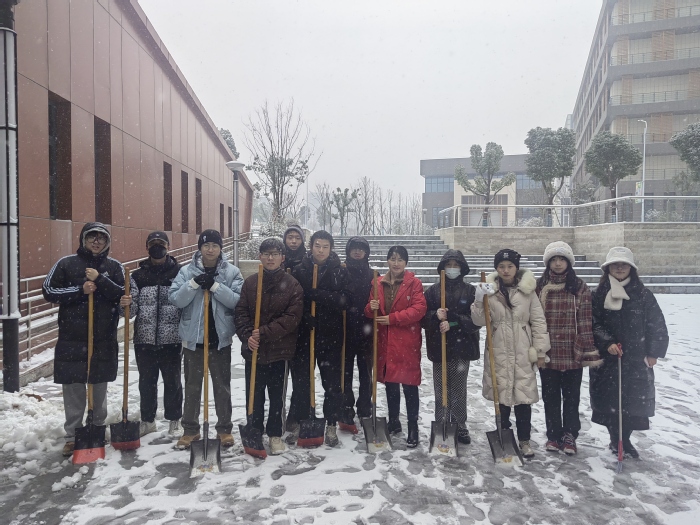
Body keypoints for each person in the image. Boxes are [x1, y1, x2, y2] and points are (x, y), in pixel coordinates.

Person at [42, 223, 125, 457]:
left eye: (101, 238)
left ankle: (97, 429)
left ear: (107, 242)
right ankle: (73, 434)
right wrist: (80, 290)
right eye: (92, 237)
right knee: (74, 388)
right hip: (72, 339)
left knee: (98, 387)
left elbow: (122, 295)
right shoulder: (66, 264)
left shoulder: (114, 267)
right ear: (83, 239)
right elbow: (48, 291)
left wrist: (101, 281)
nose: (96, 242)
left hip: (103, 338)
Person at [589, 246, 668, 459]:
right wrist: (606, 342)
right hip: (608, 359)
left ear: (631, 268)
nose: (620, 268)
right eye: (615, 265)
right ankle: (616, 439)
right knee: (610, 402)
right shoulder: (598, 295)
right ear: (608, 269)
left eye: (624, 265)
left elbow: (656, 324)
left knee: (633, 403)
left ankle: (626, 438)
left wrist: (653, 353)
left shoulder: (643, 295)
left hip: (636, 359)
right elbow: (592, 322)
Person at [471, 248, 550, 459]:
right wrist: (479, 300)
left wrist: (540, 351)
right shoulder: (490, 291)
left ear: (516, 268)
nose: (505, 270)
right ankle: (503, 435)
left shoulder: (528, 292)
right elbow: (479, 321)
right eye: (501, 266)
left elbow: (538, 321)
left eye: (510, 266)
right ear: (496, 268)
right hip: (498, 349)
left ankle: (524, 440)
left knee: (523, 396)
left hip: (522, 348)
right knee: (502, 395)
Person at [169, 229, 244, 450]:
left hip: (220, 340)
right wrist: (193, 284)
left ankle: (224, 429)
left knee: (222, 387)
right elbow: (176, 299)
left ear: (220, 248)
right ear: (200, 248)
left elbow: (237, 301)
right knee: (192, 386)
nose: (210, 249)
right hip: (194, 340)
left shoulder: (231, 272)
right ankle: (190, 430)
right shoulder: (186, 271)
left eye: (214, 245)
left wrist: (215, 287)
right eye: (206, 245)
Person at [235, 238, 304, 455]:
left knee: (277, 397)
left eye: (275, 254)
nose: (270, 258)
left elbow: (292, 318)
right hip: (254, 350)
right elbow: (241, 312)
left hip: (279, 351)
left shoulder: (292, 284)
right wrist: (248, 336)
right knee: (254, 395)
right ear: (260, 257)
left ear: (282, 258)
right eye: (266, 254)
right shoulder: (251, 283)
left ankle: (275, 434)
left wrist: (264, 332)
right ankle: (254, 430)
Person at [536, 241, 602, 455]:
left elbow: (585, 320)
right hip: (548, 350)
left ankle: (570, 435)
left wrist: (587, 349)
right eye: (553, 260)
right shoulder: (540, 286)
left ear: (569, 262)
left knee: (571, 397)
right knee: (550, 396)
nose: (557, 263)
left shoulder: (579, 286)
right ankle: (553, 434)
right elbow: (534, 319)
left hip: (573, 350)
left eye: (562, 259)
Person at [287, 230, 351, 447]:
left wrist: (319, 295)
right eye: (317, 246)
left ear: (331, 248)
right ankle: (302, 421)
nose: (321, 250)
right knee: (302, 382)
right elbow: (293, 300)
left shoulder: (339, 271)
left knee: (332, 383)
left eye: (325, 246)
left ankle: (331, 423)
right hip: (305, 335)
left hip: (331, 335)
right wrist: (305, 315)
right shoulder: (300, 270)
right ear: (311, 246)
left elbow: (345, 300)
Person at [119, 231, 183, 438]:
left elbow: (185, 302)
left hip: (172, 338)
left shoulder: (179, 273)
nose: (157, 247)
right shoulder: (137, 276)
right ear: (147, 247)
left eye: (161, 243)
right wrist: (125, 304)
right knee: (147, 382)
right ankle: (148, 420)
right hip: (144, 339)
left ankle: (175, 420)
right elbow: (131, 312)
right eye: (153, 244)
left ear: (168, 247)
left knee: (173, 381)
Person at [365, 245, 427, 448]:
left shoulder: (414, 283)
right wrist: (370, 307)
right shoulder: (377, 283)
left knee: (409, 385)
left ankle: (413, 427)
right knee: (391, 383)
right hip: (385, 340)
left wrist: (393, 319)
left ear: (406, 262)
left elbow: (419, 309)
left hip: (406, 342)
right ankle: (394, 421)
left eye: (400, 259)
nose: (396, 263)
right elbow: (370, 311)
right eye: (393, 258)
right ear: (387, 261)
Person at [422, 249, 480, 445]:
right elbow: (423, 318)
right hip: (440, 347)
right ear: (443, 268)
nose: (452, 269)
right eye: (449, 265)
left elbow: (476, 321)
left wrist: (454, 322)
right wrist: (434, 316)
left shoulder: (470, 291)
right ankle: (441, 423)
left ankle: (459, 424)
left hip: (462, 347)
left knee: (458, 389)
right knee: (441, 389)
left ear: (462, 268)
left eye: (456, 265)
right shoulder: (433, 291)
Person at [340, 237, 374, 426]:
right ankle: (346, 406)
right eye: (354, 248)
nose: (357, 251)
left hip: (366, 331)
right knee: (345, 372)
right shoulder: (341, 272)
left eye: (361, 248)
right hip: (345, 329)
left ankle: (365, 406)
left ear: (366, 252)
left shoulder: (373, 275)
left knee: (365, 372)